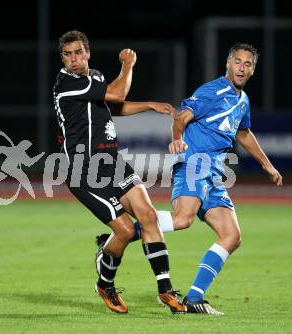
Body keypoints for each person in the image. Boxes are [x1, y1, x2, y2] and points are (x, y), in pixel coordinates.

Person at [97, 42, 283, 314]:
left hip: (215, 173)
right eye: (238, 62)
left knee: (231, 236)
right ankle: (116, 240)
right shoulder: (212, 91)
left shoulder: (242, 101)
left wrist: (267, 165)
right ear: (228, 64)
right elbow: (181, 117)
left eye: (248, 64)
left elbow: (243, 133)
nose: (242, 68)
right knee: (183, 219)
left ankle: (194, 298)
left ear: (253, 70)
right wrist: (176, 139)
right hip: (195, 163)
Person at [53, 30, 186, 314]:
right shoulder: (66, 83)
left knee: (148, 215)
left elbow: (114, 105)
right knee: (125, 231)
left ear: (87, 53)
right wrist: (128, 65)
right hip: (84, 171)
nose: (74, 59)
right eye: (68, 54)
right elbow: (118, 92)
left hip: (112, 162)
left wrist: (149, 105)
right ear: (62, 59)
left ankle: (166, 291)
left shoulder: (96, 78)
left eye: (78, 52)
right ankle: (105, 283)